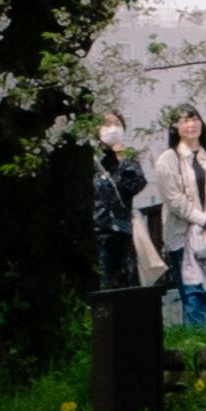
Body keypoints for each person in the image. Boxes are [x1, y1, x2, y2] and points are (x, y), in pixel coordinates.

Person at [147, 105, 206, 332]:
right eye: (185, 121)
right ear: (176, 128)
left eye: (195, 119)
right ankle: (199, 345)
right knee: (193, 291)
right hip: (183, 235)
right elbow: (174, 200)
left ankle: (203, 342)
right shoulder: (168, 159)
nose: (191, 125)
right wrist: (203, 220)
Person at [91, 116, 147, 291]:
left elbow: (137, 184)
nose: (113, 129)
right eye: (107, 124)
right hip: (97, 232)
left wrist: (124, 160)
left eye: (117, 124)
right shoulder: (91, 159)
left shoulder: (127, 157)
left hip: (122, 231)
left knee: (126, 286)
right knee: (102, 285)